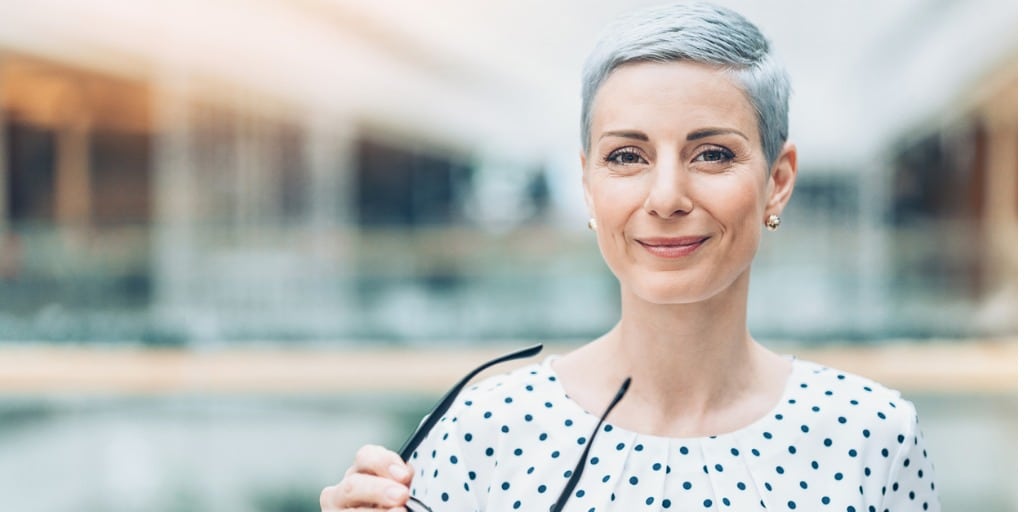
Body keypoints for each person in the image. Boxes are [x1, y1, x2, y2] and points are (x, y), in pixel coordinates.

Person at [320, 3, 939, 511]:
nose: (666, 197)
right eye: (626, 157)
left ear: (778, 180)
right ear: (588, 183)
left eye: (712, 154)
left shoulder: (872, 434)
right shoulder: (483, 430)